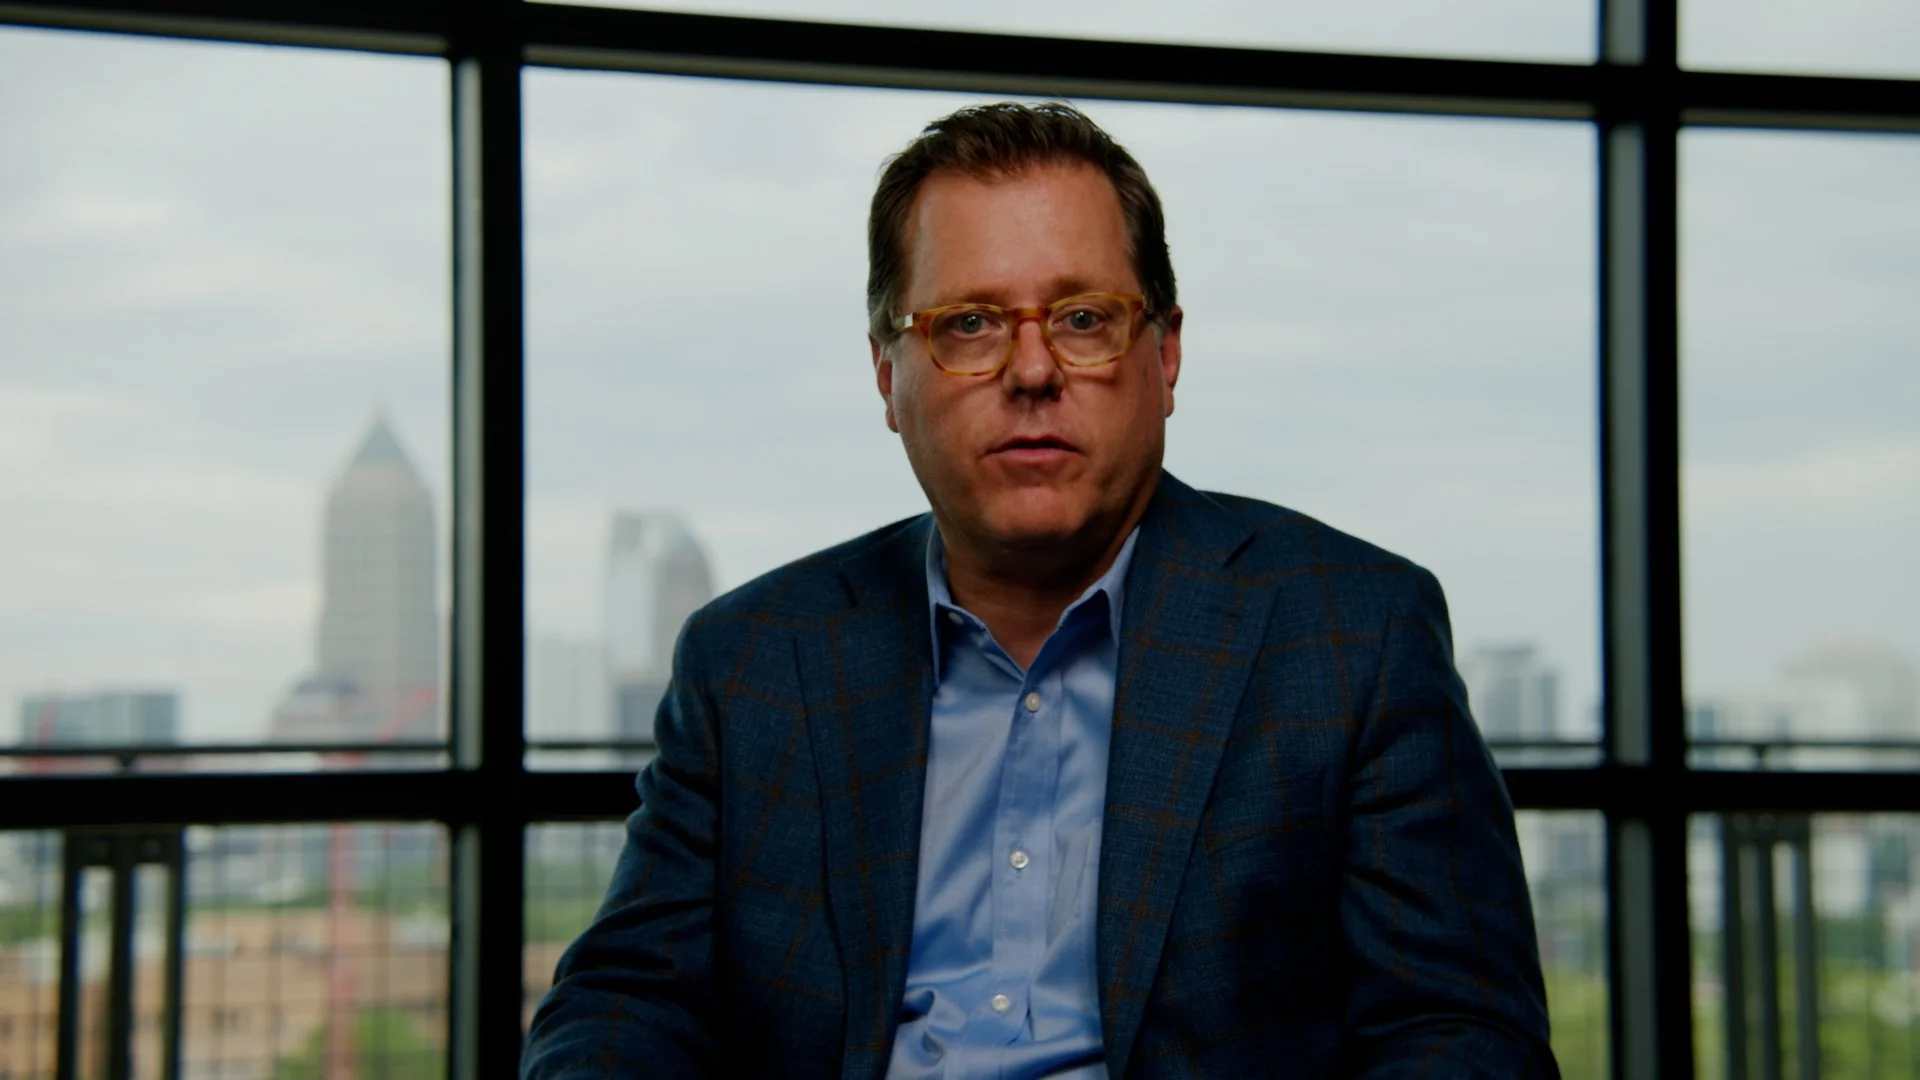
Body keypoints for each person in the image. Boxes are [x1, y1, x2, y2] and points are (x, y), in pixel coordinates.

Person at [522, 101, 1557, 1079]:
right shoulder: (749, 662)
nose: (1031, 369)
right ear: (889, 375)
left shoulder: (1349, 636)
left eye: (1083, 316)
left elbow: (1461, 1030)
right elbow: (626, 997)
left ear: (1167, 352)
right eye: (969, 324)